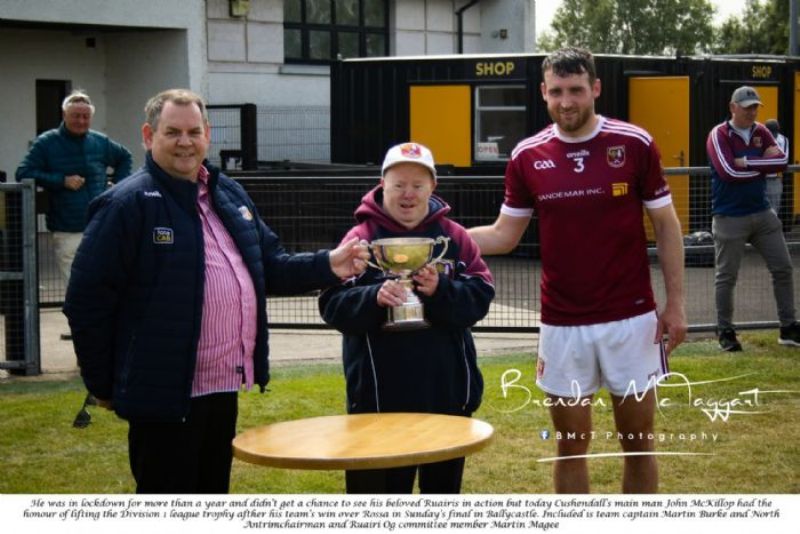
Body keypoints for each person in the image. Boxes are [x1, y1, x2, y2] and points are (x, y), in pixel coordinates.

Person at [63, 89, 368, 494]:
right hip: (163, 393)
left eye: (194, 132)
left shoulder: (229, 194)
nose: (185, 142)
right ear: (148, 136)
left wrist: (329, 263)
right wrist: (102, 384)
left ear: (208, 134)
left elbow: (270, 266)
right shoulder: (126, 205)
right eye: (172, 132)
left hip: (222, 388)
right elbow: (86, 302)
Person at [468, 47, 687, 493]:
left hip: (631, 319)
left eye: (576, 90)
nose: (566, 101)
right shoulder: (527, 155)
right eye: (557, 92)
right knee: (570, 445)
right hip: (563, 322)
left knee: (638, 443)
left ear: (595, 89)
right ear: (543, 92)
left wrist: (676, 304)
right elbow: (504, 235)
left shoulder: (634, 143)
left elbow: (666, 224)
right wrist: (440, 237)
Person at [319, 142, 495, 494]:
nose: (408, 194)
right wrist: (373, 297)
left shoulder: (454, 237)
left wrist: (441, 291)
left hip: (446, 398)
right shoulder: (360, 239)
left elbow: (480, 297)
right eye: (399, 184)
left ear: (433, 187)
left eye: (417, 184)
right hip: (378, 401)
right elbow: (332, 305)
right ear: (383, 185)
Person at [16, 90, 132, 340]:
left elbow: (125, 157)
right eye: (76, 116)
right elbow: (24, 172)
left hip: (101, 224)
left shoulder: (100, 142)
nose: (81, 121)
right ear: (64, 115)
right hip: (67, 226)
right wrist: (61, 180)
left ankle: (98, 332)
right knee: (77, 284)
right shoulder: (46, 143)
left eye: (85, 116)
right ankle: (85, 334)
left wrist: (118, 186)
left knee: (104, 281)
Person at [707, 86, 799, 351]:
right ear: (732, 107)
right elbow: (727, 172)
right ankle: (725, 331)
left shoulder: (762, 131)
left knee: (783, 268)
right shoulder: (718, 134)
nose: (752, 112)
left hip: (762, 212)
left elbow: (781, 163)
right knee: (727, 276)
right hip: (729, 216)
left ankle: (788, 327)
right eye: (747, 107)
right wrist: (762, 164)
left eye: (755, 107)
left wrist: (746, 162)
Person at [763, 118, 789, 214]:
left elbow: (784, 159)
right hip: (760, 178)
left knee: (774, 210)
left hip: (775, 178)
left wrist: (767, 157)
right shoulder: (760, 139)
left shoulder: (784, 140)